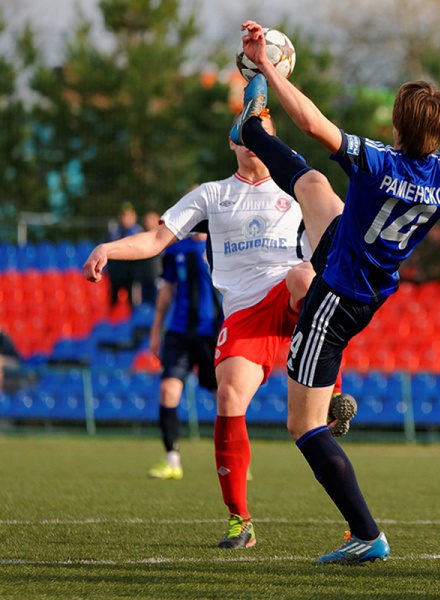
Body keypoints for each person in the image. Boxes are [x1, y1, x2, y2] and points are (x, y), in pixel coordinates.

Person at [231, 19, 440, 565]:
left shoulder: (377, 161)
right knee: (312, 185)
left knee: (302, 425)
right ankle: (253, 130)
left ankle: (365, 533)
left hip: (338, 294)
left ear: (397, 125)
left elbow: (310, 122)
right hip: (361, 271)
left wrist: (265, 66)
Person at [84, 111, 355, 550]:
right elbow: (156, 240)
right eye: (244, 135)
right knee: (228, 397)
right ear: (232, 143)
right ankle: (240, 522)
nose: (252, 143)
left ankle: (332, 395)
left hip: (289, 294)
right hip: (244, 312)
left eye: (261, 135)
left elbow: (340, 232)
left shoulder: (297, 189)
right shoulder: (212, 195)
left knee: (304, 277)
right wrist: (107, 249)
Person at [146, 232, 222, 480]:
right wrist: (156, 330)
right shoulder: (175, 249)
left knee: (226, 397)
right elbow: (167, 289)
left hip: (213, 333)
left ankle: (234, 458)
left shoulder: (221, 242)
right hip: (179, 332)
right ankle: (172, 460)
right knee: (168, 390)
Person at [105, 202, 144, 308]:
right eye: (123, 215)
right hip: (116, 274)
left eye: (127, 215)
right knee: (112, 303)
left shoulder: (139, 233)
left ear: (134, 216)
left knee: (133, 303)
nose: (125, 218)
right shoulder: (114, 233)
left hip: (133, 274)